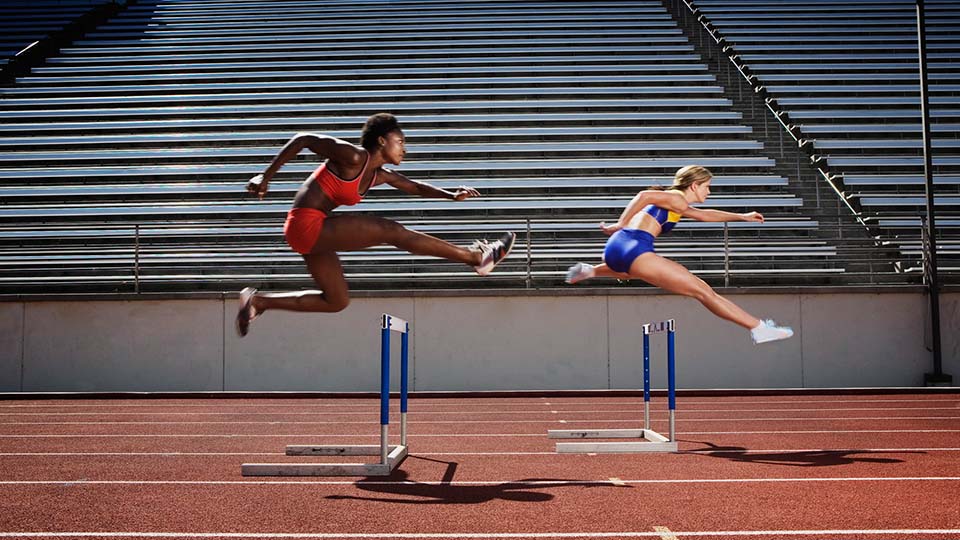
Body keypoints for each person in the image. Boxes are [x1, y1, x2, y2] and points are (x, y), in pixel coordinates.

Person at [235, 113, 514, 337]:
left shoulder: (380, 175)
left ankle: (259, 302)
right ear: (382, 141)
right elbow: (304, 138)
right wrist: (265, 176)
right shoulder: (353, 156)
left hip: (315, 233)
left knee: (336, 301)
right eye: (400, 141)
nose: (405, 148)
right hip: (306, 224)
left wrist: (452, 195)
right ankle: (476, 258)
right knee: (390, 231)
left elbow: (414, 187)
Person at [565, 165, 793, 344]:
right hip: (634, 245)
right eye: (707, 186)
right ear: (694, 185)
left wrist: (742, 217)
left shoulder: (678, 204)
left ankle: (590, 270)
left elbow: (705, 216)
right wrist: (619, 223)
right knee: (703, 291)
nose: (709, 191)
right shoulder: (676, 198)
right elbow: (644, 195)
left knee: (638, 272)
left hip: (617, 249)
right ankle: (759, 329)